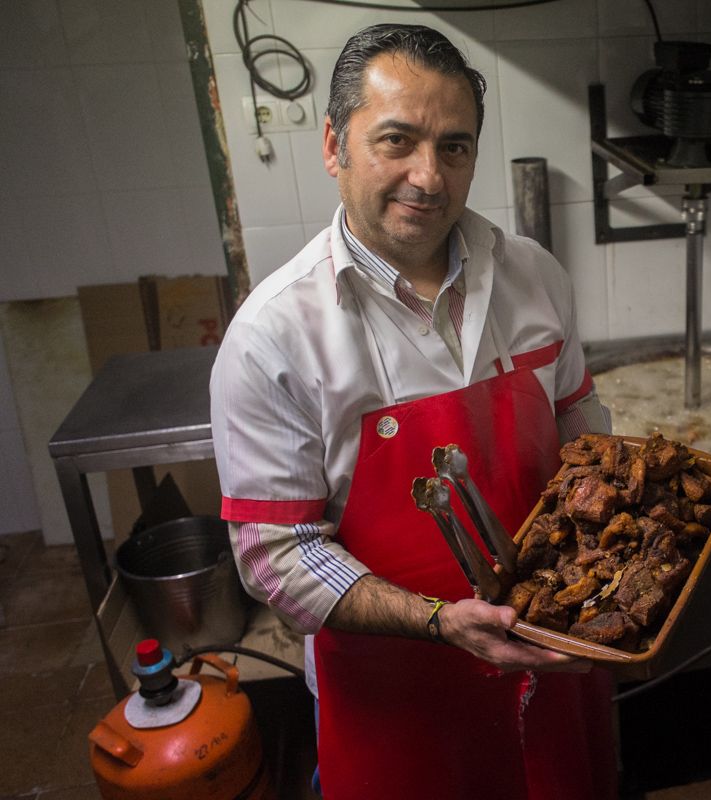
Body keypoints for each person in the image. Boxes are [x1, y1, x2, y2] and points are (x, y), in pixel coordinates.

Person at [209, 23, 617, 799]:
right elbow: (277, 554)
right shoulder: (274, 337)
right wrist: (439, 621)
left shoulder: (534, 275)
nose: (428, 176)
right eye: (397, 141)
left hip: (556, 660)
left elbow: (578, 426)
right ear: (334, 145)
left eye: (455, 147)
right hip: (395, 702)